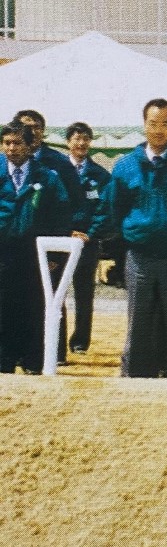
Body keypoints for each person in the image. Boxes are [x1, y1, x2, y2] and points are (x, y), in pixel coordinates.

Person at [90, 99, 167, 379]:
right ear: (144, 125)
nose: (158, 130)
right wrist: (126, 237)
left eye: (165, 124)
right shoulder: (126, 166)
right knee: (139, 318)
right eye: (153, 123)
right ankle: (135, 374)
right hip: (140, 257)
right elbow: (113, 207)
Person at [0, 122, 72, 374]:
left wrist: (54, 255)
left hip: (35, 255)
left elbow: (61, 216)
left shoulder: (48, 177)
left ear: (30, 146)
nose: (11, 148)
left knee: (34, 307)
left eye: (17, 143)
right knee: (3, 308)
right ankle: (3, 362)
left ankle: (32, 362)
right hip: (3, 254)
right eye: (7, 143)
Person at [65, 122, 110, 354]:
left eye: (85, 139)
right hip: (61, 241)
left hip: (88, 243)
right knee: (56, 293)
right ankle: (55, 341)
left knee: (84, 294)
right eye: (76, 138)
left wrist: (90, 235)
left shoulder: (100, 175)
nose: (81, 143)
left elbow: (104, 209)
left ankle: (80, 341)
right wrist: (66, 232)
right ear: (68, 142)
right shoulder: (58, 171)